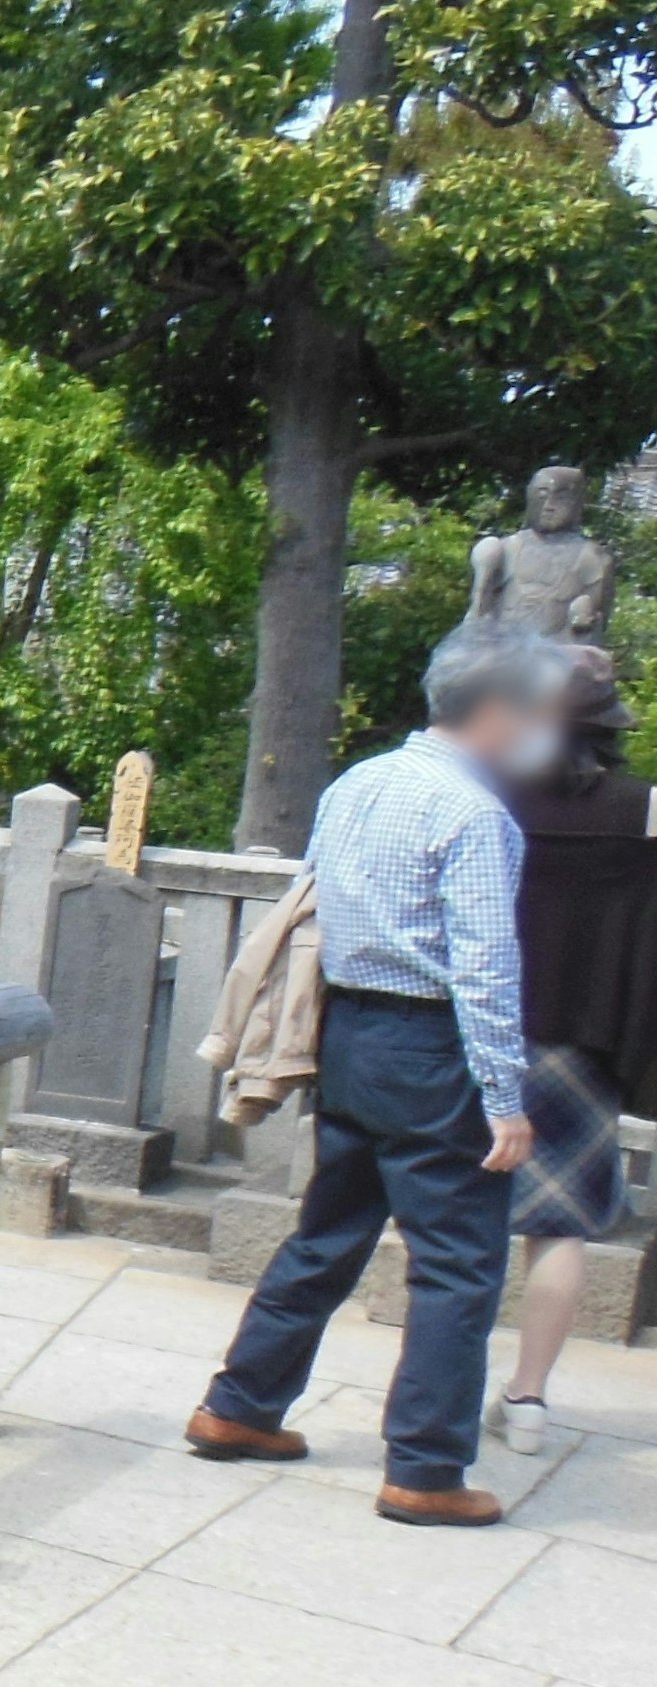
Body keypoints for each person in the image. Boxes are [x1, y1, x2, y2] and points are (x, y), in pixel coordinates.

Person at [187, 620, 583, 1526]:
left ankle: (239, 1405)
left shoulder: (358, 782)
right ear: (500, 711)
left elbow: (318, 903)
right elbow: (484, 967)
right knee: (457, 1262)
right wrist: (505, 1098)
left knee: (328, 1231)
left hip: (349, 1030)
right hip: (434, 1045)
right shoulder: (475, 812)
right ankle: (427, 1467)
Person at [491, 652, 657, 1451]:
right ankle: (528, 1399)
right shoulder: (643, 809)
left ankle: (435, 1384)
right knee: (559, 1227)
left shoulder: (491, 795)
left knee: (455, 1216)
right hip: (585, 1041)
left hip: (485, 1030)